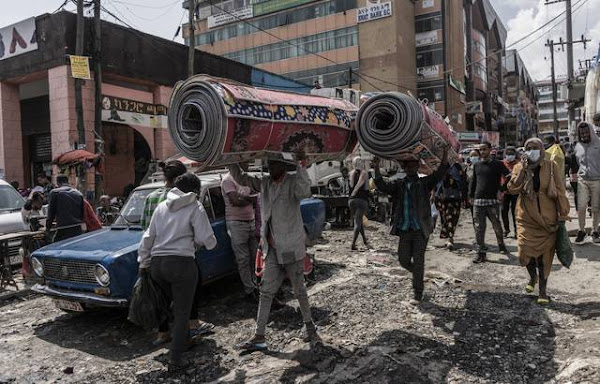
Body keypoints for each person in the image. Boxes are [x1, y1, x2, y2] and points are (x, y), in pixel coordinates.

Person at [230, 152, 320, 351]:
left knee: (299, 290)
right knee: (266, 292)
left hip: (289, 248)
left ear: (282, 165)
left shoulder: (292, 182)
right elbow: (242, 178)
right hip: (271, 249)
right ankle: (259, 336)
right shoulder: (265, 184)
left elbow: (305, 192)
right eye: (268, 164)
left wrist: (301, 165)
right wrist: (232, 160)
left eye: (273, 164)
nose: (270, 167)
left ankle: (310, 328)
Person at [138, 173, 217, 368]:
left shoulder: (162, 206)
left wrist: (143, 262)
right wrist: (205, 243)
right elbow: (206, 239)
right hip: (182, 265)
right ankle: (175, 359)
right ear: (196, 190)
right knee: (183, 311)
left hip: (157, 265)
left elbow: (148, 237)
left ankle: (184, 339)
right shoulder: (195, 206)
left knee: (171, 304)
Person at [373, 147, 449, 305]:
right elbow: (382, 186)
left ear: (417, 167)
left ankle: (418, 292)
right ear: (404, 168)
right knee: (403, 260)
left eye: (414, 166)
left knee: (419, 260)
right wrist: (376, 168)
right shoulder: (399, 185)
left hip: (421, 229)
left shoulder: (424, 183)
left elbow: (440, 173)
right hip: (405, 229)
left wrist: (445, 155)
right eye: (408, 167)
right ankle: (418, 275)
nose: (411, 169)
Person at [507, 138, 570, 304]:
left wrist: (563, 211)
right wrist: (523, 170)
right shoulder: (518, 167)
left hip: (547, 219)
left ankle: (542, 291)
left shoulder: (551, 166)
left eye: (535, 148)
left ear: (542, 149)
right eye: (528, 148)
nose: (532, 150)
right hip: (526, 217)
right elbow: (512, 189)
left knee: (544, 257)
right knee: (524, 254)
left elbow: (560, 189)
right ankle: (532, 277)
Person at [221, 162, 259, 301]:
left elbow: (253, 196)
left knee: (255, 256)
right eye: (244, 162)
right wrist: (253, 199)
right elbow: (235, 200)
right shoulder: (228, 180)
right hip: (236, 223)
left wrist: (247, 198)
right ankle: (249, 290)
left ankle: (255, 285)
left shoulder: (247, 179)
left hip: (251, 220)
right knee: (243, 259)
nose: (247, 164)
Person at [469, 142, 510, 263]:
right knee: (479, 228)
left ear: (490, 150)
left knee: (497, 225)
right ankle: (481, 252)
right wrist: (471, 196)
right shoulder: (476, 165)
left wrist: (502, 190)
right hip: (478, 201)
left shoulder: (498, 164)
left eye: (484, 149)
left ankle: (501, 244)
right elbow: (473, 181)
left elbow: (509, 176)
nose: (482, 152)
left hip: (492, 201)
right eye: (480, 150)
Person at [572, 122, 600, 243]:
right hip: (583, 180)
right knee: (582, 206)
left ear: (591, 131)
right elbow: (577, 163)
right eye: (581, 133)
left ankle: (595, 231)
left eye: (586, 132)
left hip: (597, 180)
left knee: (595, 207)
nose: (584, 134)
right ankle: (581, 231)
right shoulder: (577, 146)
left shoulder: (599, 143)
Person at [434, 161, 466, 250]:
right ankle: (447, 237)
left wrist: (464, 197)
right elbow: (435, 182)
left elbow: (462, 181)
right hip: (441, 197)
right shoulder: (438, 166)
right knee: (444, 218)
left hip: (454, 197)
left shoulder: (456, 167)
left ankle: (450, 238)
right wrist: (434, 195)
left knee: (452, 218)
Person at [46, 175, 84, 242]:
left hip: (63, 229)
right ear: (68, 181)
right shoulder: (78, 193)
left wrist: (47, 228)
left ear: (57, 183)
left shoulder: (55, 193)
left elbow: (51, 213)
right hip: (77, 227)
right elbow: (82, 213)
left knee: (55, 247)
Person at [348, 157, 370, 250]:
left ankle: (364, 240)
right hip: (362, 200)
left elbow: (350, 186)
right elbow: (367, 188)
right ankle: (353, 244)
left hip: (351, 201)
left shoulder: (351, 173)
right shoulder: (365, 173)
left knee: (358, 220)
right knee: (358, 221)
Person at [501, 146, 520, 238]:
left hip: (516, 191)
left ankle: (517, 231)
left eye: (512, 154)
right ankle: (506, 229)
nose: (510, 156)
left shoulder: (519, 164)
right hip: (504, 191)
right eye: (508, 154)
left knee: (515, 212)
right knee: (503, 210)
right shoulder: (502, 164)